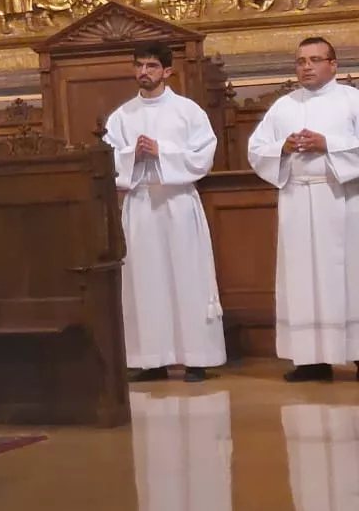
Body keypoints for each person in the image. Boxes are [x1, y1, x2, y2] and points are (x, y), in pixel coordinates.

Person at [103, 43, 224, 383]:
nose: (144, 72)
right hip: (140, 204)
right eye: (139, 65)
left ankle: (195, 358)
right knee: (145, 280)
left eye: (152, 66)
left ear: (168, 71)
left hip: (178, 201)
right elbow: (107, 159)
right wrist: (133, 156)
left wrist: (162, 151)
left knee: (187, 277)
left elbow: (204, 156)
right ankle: (152, 359)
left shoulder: (188, 111)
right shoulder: (122, 116)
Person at [248, 37, 359, 382]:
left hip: (342, 199)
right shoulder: (283, 107)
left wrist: (330, 145)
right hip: (297, 199)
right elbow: (257, 149)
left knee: (350, 278)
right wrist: (281, 147)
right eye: (300, 61)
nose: (306, 67)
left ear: (333, 64)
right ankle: (311, 360)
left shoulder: (352, 101)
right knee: (302, 279)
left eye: (314, 60)